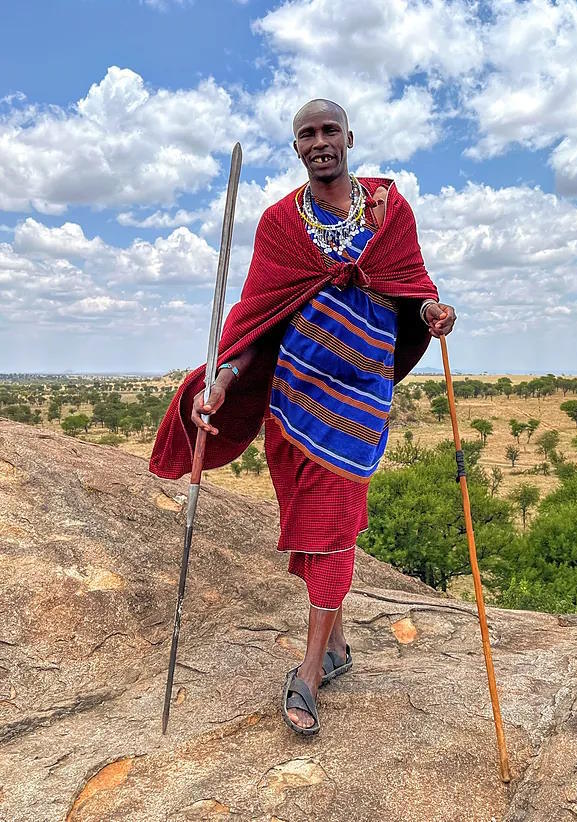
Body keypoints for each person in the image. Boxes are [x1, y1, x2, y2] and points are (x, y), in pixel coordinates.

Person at [150, 99, 456, 735]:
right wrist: (221, 382)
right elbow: (256, 322)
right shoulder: (280, 225)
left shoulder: (387, 211)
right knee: (312, 528)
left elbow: (413, 285)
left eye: (329, 131)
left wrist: (433, 311)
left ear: (349, 137)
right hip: (293, 404)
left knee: (332, 526)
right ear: (296, 147)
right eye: (306, 134)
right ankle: (339, 646)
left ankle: (310, 673)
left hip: (360, 402)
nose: (320, 142)